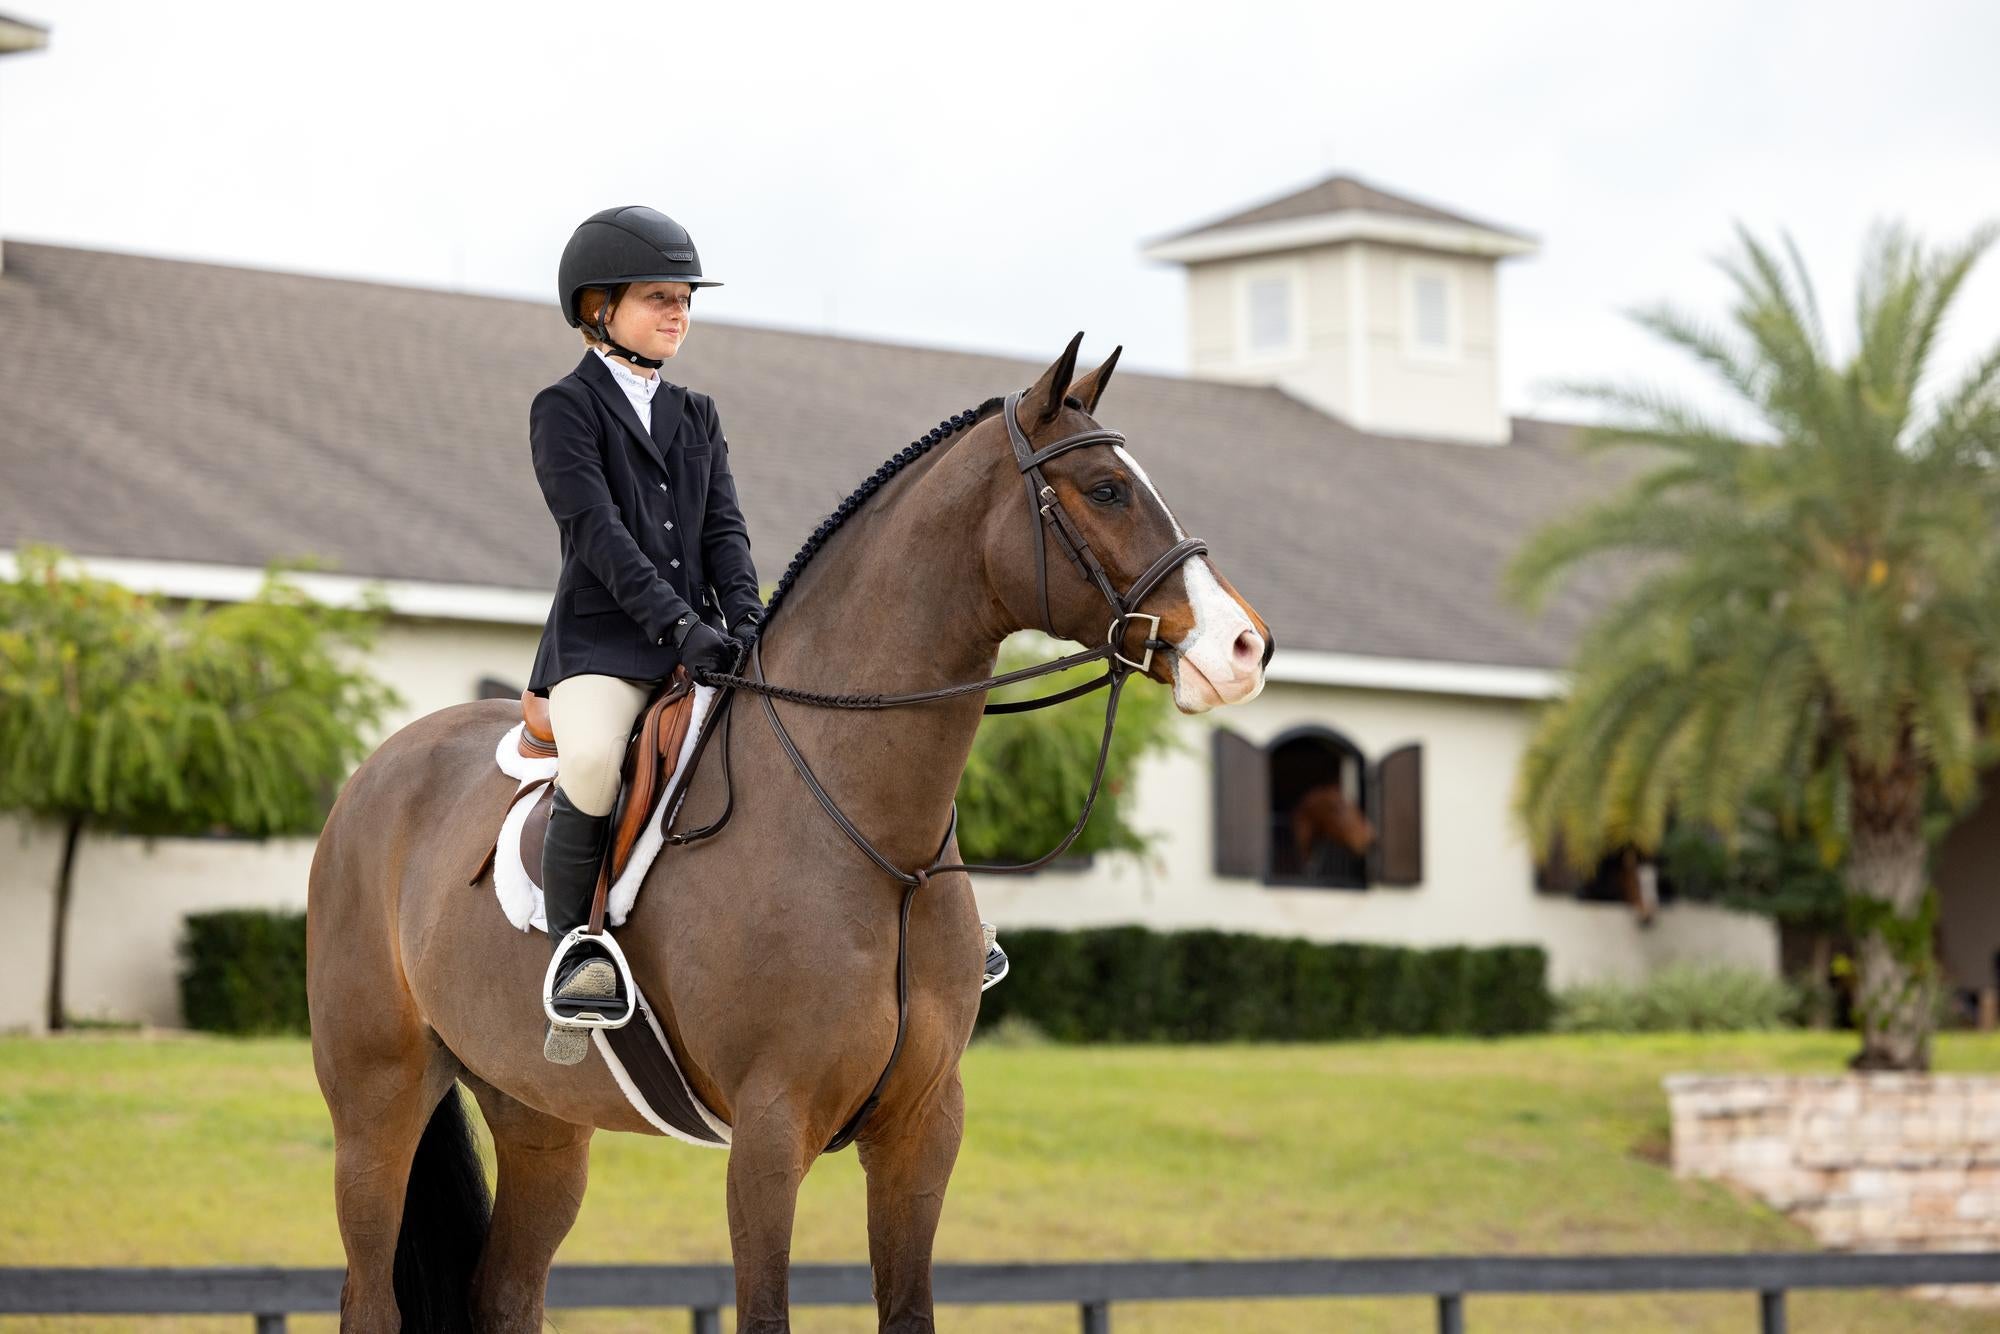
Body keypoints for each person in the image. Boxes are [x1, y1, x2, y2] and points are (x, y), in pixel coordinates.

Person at [525, 205, 763, 1064]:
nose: (678, 314)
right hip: (604, 650)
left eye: (685, 300)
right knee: (591, 761)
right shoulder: (565, 409)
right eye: (660, 297)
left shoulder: (696, 413)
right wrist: (678, 626)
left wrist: (748, 620)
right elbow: (599, 537)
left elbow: (724, 532)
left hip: (702, 637)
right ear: (598, 307)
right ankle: (573, 952)